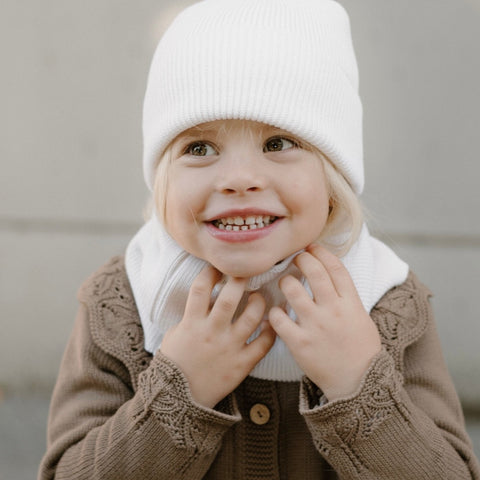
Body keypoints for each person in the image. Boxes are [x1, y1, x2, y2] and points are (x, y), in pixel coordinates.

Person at [38, 0, 480, 478]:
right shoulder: (123, 301)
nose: (240, 178)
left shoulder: (388, 303)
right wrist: (181, 390)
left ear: (333, 177)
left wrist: (359, 382)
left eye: (278, 143)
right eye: (199, 148)